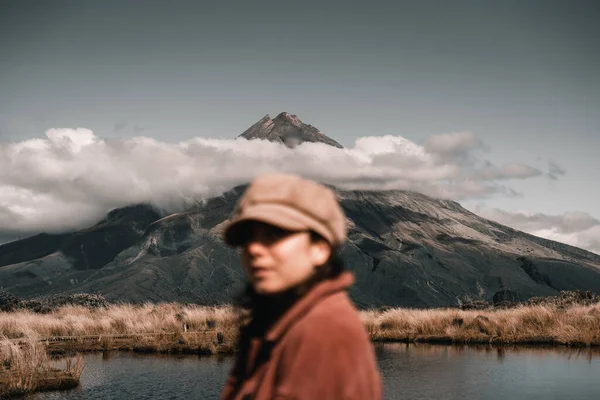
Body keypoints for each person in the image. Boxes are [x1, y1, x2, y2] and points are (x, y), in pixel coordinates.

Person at [220, 173, 382, 400]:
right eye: (247, 238)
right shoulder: (279, 324)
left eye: (274, 234)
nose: (254, 248)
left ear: (320, 249)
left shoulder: (323, 331)